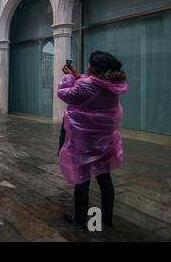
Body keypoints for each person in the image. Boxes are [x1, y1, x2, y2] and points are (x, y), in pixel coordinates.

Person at [57, 51, 129, 230]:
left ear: (94, 68)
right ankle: (107, 218)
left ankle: (80, 220)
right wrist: (77, 75)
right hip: (105, 142)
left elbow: (64, 93)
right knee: (104, 178)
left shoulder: (86, 86)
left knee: (82, 180)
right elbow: (92, 84)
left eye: (89, 64)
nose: (87, 66)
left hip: (84, 143)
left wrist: (68, 77)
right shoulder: (113, 85)